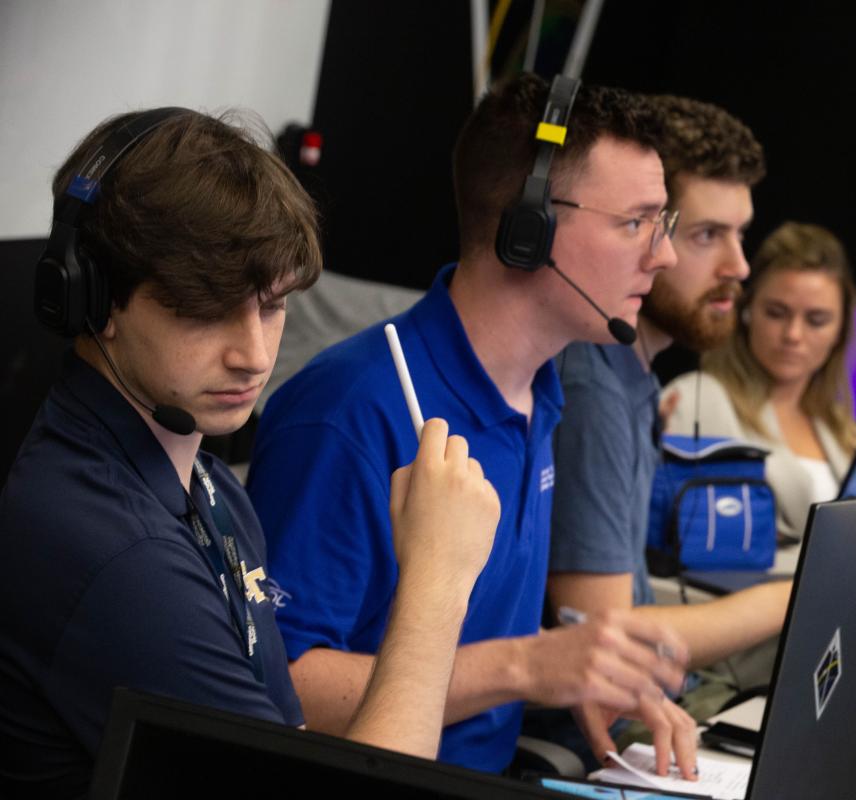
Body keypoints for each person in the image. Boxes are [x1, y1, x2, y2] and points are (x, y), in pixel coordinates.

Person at [0, 108, 500, 798]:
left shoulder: (206, 485)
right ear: (95, 299)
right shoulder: (113, 550)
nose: (256, 356)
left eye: (272, 304)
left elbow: (283, 747)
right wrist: (438, 581)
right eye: (206, 309)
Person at [246, 74, 697, 778]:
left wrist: (582, 673)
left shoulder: (542, 393)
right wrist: (522, 666)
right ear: (528, 231)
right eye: (636, 222)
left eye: (661, 224)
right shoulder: (351, 412)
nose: (664, 256)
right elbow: (277, 689)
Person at [546, 95, 795, 686]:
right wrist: (795, 595)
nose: (739, 265)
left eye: (741, 235)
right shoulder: (593, 392)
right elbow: (608, 645)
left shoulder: (634, 377)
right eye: (708, 234)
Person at [663, 222, 856, 540]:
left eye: (816, 320)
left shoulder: (841, 430)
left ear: (840, 330)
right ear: (747, 311)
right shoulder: (694, 401)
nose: (793, 335)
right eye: (776, 313)